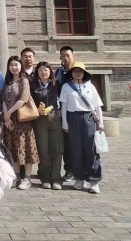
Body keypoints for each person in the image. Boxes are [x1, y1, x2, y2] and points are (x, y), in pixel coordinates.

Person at [59, 61, 104, 194]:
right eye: (75, 71)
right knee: (76, 150)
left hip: (88, 118)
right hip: (73, 118)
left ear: (84, 73)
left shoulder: (90, 86)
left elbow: (97, 106)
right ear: (71, 73)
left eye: (80, 71)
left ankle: (94, 181)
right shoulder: (66, 87)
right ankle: (79, 178)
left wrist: (101, 123)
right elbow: (64, 106)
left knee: (91, 150)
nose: (78, 73)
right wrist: (65, 123)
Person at [2, 55, 40, 190]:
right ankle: (16, 176)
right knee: (12, 147)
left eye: (16, 65)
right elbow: (3, 99)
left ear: (21, 66)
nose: (14, 67)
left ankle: (27, 178)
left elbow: (24, 98)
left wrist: (9, 112)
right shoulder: (7, 82)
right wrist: (6, 117)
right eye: (11, 65)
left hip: (22, 119)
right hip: (9, 120)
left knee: (26, 147)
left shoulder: (24, 81)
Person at [30, 61, 63, 190]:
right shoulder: (33, 85)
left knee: (56, 149)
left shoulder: (56, 84)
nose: (43, 72)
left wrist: (61, 110)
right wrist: (36, 110)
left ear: (50, 72)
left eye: (46, 70)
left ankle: (56, 177)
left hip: (55, 118)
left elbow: (63, 99)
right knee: (43, 150)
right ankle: (45, 177)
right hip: (39, 120)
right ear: (37, 73)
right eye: (40, 70)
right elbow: (29, 101)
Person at [55, 46, 75, 181]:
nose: (65, 58)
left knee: (78, 143)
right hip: (64, 112)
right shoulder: (58, 72)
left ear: (73, 56)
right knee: (67, 143)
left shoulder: (79, 70)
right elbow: (55, 90)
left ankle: (81, 169)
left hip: (77, 112)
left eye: (68, 55)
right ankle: (69, 170)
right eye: (63, 56)